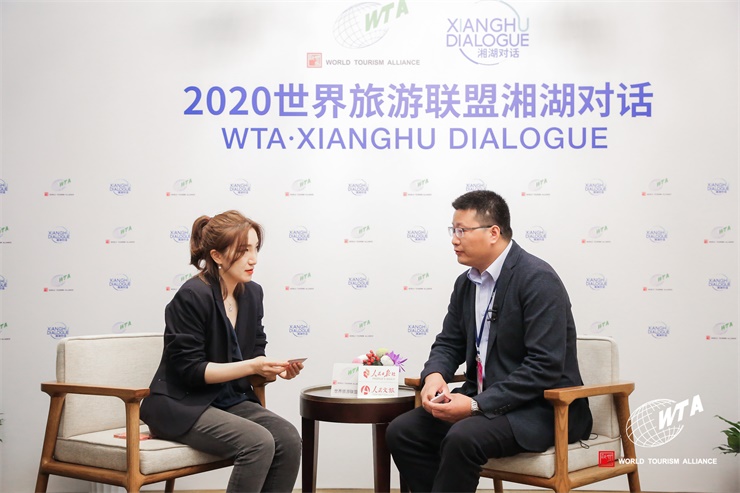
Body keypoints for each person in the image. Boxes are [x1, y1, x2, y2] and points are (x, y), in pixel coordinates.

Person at [387, 190, 592, 492]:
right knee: (403, 431)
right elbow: (449, 343)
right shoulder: (466, 283)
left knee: (463, 437)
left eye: (462, 231)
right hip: (484, 403)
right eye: (452, 230)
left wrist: (475, 405)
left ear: (493, 233)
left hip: (539, 408)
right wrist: (434, 376)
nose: (454, 240)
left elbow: (544, 366)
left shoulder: (537, 279)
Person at [141, 210, 302, 493]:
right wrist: (253, 366)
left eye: (255, 248)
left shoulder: (253, 294)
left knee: (288, 439)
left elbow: (255, 353)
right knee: (258, 442)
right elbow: (191, 371)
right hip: (181, 405)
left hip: (229, 400)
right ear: (216, 256)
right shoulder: (192, 295)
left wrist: (274, 371)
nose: (253, 259)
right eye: (243, 250)